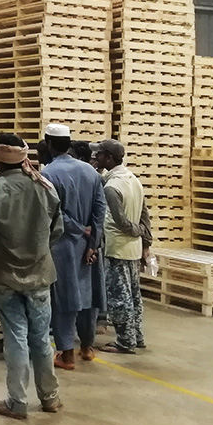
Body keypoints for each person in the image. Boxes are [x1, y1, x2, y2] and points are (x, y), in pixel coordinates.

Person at [0, 133, 64, 420]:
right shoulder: (45, 187)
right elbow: (57, 230)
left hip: (5, 275)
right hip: (40, 274)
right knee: (41, 337)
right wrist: (37, 247)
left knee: (15, 337)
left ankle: (17, 401)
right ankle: (49, 397)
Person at [40, 124, 107, 369]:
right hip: (90, 248)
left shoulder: (48, 173)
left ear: (49, 143)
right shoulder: (90, 171)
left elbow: (54, 212)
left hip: (64, 245)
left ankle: (67, 354)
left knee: (64, 300)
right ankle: (87, 348)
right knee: (89, 297)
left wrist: (79, 230)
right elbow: (100, 209)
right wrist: (93, 242)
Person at [95, 139, 153, 354]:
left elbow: (121, 222)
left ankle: (125, 341)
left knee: (119, 297)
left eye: (100, 154)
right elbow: (144, 214)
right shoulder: (133, 180)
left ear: (109, 158)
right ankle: (137, 336)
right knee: (134, 295)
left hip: (118, 248)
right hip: (133, 249)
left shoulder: (112, 187)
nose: (97, 158)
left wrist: (137, 230)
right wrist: (144, 237)